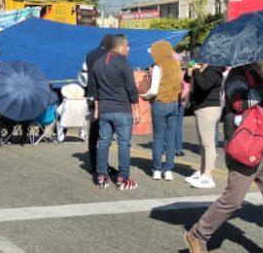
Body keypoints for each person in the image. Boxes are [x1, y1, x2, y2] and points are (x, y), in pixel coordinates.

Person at [183, 62, 263, 253]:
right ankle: (197, 235)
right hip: (245, 150)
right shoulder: (237, 76)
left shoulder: (258, 76)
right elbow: (241, 104)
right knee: (233, 200)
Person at [87, 34, 140, 190]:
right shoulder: (124, 63)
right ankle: (123, 179)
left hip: (104, 109)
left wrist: (97, 108)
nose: (129, 49)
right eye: (127, 46)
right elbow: (131, 88)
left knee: (103, 143)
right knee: (124, 144)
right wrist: (136, 109)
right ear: (120, 47)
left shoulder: (97, 63)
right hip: (122, 110)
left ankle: (102, 177)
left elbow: (94, 88)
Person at [143, 40, 182, 181]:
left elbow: (153, 90)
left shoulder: (158, 66)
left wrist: (144, 96)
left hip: (160, 103)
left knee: (158, 137)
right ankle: (169, 170)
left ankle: (157, 170)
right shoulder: (176, 64)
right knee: (171, 139)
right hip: (174, 103)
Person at [184, 61, 223, 189]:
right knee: (203, 143)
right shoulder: (205, 68)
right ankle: (202, 172)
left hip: (208, 108)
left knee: (208, 144)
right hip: (201, 107)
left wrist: (196, 71)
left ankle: (208, 175)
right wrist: (189, 74)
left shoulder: (214, 69)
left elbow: (204, 85)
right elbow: (191, 81)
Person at [81, 35, 114, 174]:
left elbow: (83, 74)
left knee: (93, 133)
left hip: (91, 97)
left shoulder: (89, 55)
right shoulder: (110, 56)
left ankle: (93, 164)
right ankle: (103, 165)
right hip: (106, 98)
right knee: (105, 135)